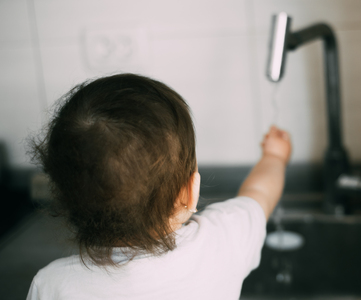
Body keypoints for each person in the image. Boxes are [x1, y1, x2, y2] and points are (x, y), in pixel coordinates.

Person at [26, 73, 291, 300]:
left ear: (64, 197)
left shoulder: (53, 286)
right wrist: (275, 156)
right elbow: (260, 193)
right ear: (188, 193)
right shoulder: (222, 241)